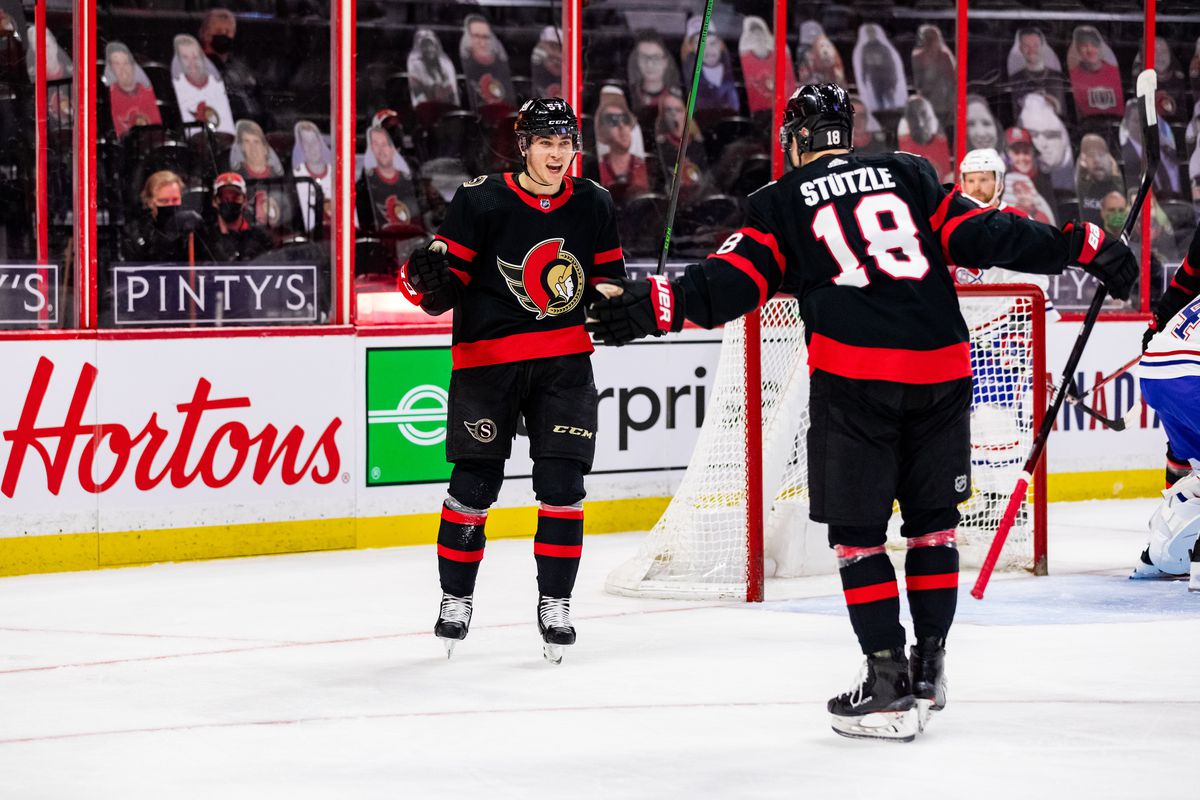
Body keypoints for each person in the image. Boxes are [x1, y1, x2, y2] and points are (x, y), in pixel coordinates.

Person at [585, 83, 1137, 741]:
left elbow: (737, 281)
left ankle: (886, 685)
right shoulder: (909, 172)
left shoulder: (780, 200)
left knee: (860, 538)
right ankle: (928, 671)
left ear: (795, 140)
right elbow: (985, 233)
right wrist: (1082, 242)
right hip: (942, 370)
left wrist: (658, 305)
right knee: (933, 529)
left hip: (856, 380)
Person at [397, 98, 628, 663]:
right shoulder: (479, 199)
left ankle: (556, 605)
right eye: (546, 142)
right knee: (474, 486)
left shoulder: (594, 203)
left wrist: (627, 308)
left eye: (565, 143)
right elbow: (438, 292)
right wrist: (417, 278)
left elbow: (609, 285)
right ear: (524, 146)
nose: (557, 154)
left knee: (563, 487)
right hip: (487, 362)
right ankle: (456, 600)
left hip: (563, 364)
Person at [1131, 228, 1200, 586]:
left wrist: (1157, 326)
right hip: (1190, 376)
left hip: (1158, 370)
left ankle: (1158, 556)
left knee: (1197, 476)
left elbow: (1184, 286)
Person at [198, 8, 265, 125]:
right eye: (219, 31)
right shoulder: (195, 66)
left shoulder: (240, 67)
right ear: (205, 34)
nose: (224, 35)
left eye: (228, 32)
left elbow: (257, 97)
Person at [124, 170, 203, 263]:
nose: (170, 205)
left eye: (175, 200)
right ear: (150, 202)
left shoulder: (191, 224)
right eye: (164, 201)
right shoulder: (137, 231)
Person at [198, 172, 272, 263]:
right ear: (214, 201)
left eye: (236, 197)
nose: (229, 202)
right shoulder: (206, 239)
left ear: (245, 200)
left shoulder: (259, 237)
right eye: (224, 198)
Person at [171, 33, 235, 135]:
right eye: (185, 57)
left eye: (195, 57)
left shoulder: (215, 85)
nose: (192, 63)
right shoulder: (177, 89)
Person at [595, 86, 649, 197]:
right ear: (602, 129)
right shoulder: (595, 170)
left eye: (625, 118)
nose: (622, 126)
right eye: (612, 120)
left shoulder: (646, 168)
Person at [680, 15, 739, 115]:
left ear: (720, 44)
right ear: (692, 48)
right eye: (700, 45)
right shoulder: (691, 78)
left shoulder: (734, 70)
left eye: (712, 43)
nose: (707, 50)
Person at [459, 14, 516, 113]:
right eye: (476, 36)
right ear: (468, 38)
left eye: (485, 37)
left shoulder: (501, 66)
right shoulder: (462, 66)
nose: (482, 43)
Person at [104, 41, 161, 138]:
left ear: (133, 65)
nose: (122, 69)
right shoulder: (110, 94)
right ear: (111, 68)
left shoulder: (146, 90)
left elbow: (157, 123)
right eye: (117, 64)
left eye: (126, 63)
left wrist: (144, 121)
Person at [1007, 27, 1067, 118]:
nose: (1031, 50)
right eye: (1026, 46)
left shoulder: (1057, 77)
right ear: (1020, 49)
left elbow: (1064, 114)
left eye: (1035, 45)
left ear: (1042, 47)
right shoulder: (1014, 80)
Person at [1067, 26, 1123, 119]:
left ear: (1100, 47)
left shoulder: (1115, 72)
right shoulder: (1072, 76)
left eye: (1094, 45)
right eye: (1084, 46)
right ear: (1077, 49)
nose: (1090, 50)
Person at [627, 32, 680, 117]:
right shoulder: (628, 96)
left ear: (665, 62)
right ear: (637, 61)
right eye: (643, 57)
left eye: (656, 58)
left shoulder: (679, 98)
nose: (649, 64)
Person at [408, 27, 460, 109]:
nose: (429, 49)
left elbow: (451, 92)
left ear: (436, 47)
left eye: (431, 45)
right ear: (420, 48)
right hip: (426, 109)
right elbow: (417, 93)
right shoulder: (416, 66)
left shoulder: (445, 65)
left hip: (445, 109)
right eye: (425, 46)